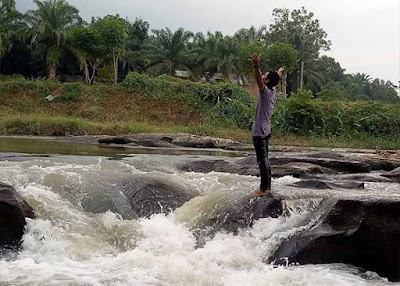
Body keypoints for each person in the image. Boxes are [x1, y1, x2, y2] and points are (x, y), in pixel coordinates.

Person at [249, 53, 284, 197]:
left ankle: (263, 189)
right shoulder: (273, 90)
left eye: (265, 75)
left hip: (260, 131)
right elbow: (273, 78)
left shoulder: (265, 93)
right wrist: (279, 72)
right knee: (265, 158)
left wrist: (256, 65)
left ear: (267, 81)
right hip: (266, 128)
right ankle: (267, 186)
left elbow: (258, 79)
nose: (262, 75)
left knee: (262, 159)